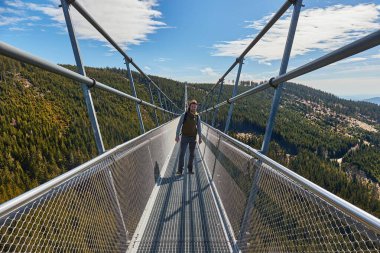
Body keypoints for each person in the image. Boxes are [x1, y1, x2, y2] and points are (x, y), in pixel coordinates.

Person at [175, 99, 202, 175]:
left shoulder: (197, 116)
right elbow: (179, 125)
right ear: (189, 106)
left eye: (195, 107)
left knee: (192, 154)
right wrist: (177, 136)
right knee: (182, 153)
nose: (193, 108)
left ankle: (190, 169)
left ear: (196, 107)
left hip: (193, 138)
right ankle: (180, 170)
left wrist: (200, 138)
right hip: (184, 137)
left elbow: (199, 128)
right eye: (192, 106)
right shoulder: (185, 115)